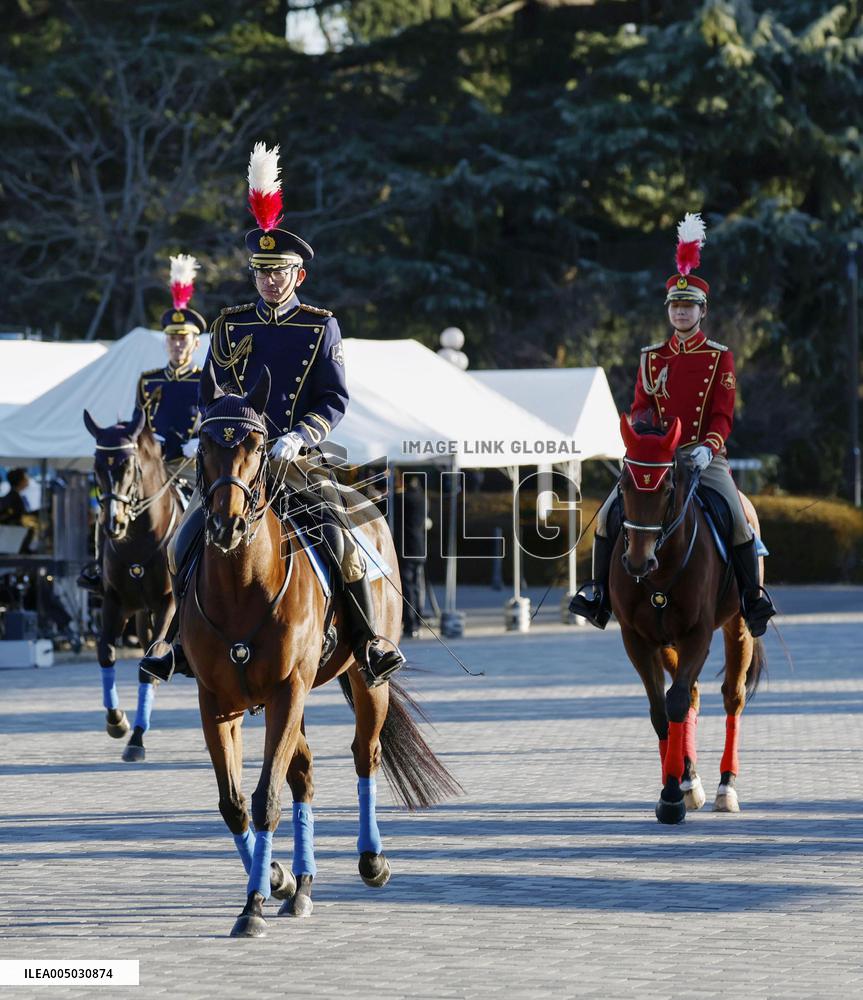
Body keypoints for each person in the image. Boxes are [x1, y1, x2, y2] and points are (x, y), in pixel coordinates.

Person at [141, 142, 405, 688]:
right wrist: (202, 437)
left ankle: (368, 641)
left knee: (339, 534)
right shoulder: (230, 324)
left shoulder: (320, 325)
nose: (269, 281)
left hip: (294, 456)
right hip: (234, 458)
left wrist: (302, 435)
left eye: (279, 272)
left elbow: (334, 397)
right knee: (183, 539)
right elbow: (211, 392)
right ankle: (174, 644)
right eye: (262, 272)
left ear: (298, 276)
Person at [569, 213, 775, 637]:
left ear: (702, 311)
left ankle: (752, 599)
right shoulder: (652, 356)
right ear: (669, 312)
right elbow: (642, 406)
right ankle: (598, 594)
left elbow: (722, 411)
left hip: (703, 454)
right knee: (609, 515)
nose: (681, 313)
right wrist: (642, 437)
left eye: (689, 307)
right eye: (676, 307)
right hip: (659, 457)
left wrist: (709, 445)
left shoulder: (719, 357)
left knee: (738, 519)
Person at [76, 255, 205, 594]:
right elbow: (138, 423)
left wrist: (201, 443)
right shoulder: (148, 381)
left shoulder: (206, 380)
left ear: (194, 342)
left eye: (183, 338)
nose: (177, 344)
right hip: (154, 464)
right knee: (114, 505)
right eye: (172, 338)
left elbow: (216, 422)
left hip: (190, 465)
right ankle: (100, 570)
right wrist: (150, 438)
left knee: (209, 511)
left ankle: (200, 577)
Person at [393, 470, 430, 639]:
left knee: (408, 586)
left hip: (406, 547)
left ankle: (410, 623)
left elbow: (391, 502)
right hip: (419, 547)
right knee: (416, 585)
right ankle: (417, 619)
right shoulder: (423, 498)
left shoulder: (403, 499)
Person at [0, 468, 35, 553]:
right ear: (20, 481)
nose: (27, 480)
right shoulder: (13, 498)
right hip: (13, 537)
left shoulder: (15, 496)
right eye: (25, 477)